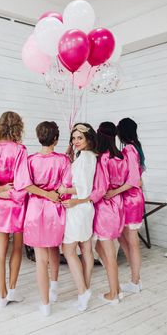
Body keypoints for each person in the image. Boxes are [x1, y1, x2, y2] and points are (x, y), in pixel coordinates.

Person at [0, 112, 59, 308]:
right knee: (16, 248)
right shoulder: (20, 149)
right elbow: (22, 182)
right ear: (18, 127)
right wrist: (9, 194)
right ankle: (13, 290)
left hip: (0, 204)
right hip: (17, 204)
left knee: (0, 251)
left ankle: (2, 296)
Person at [23, 121, 72, 316]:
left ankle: (45, 304)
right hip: (55, 208)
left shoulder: (30, 160)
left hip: (35, 209)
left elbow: (25, 185)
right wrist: (53, 195)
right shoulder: (64, 160)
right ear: (56, 139)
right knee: (54, 249)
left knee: (40, 259)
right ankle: (54, 289)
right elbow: (66, 188)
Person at [58, 123, 97, 312]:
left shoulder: (84, 159)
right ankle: (86, 289)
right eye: (73, 138)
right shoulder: (89, 157)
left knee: (69, 250)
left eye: (79, 138)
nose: (75, 141)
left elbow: (83, 187)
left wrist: (65, 190)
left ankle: (82, 292)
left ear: (88, 139)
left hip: (78, 206)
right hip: (86, 207)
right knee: (86, 249)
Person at [89, 122, 128, 305]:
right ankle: (117, 288)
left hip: (105, 209)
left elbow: (101, 188)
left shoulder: (104, 158)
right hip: (118, 206)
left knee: (109, 253)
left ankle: (113, 294)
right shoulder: (121, 157)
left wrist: (86, 199)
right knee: (100, 249)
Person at [105, 118, 145, 293]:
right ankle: (135, 278)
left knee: (132, 241)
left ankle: (135, 281)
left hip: (130, 199)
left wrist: (114, 192)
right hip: (131, 198)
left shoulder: (129, 149)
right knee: (123, 237)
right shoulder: (136, 147)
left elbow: (134, 180)